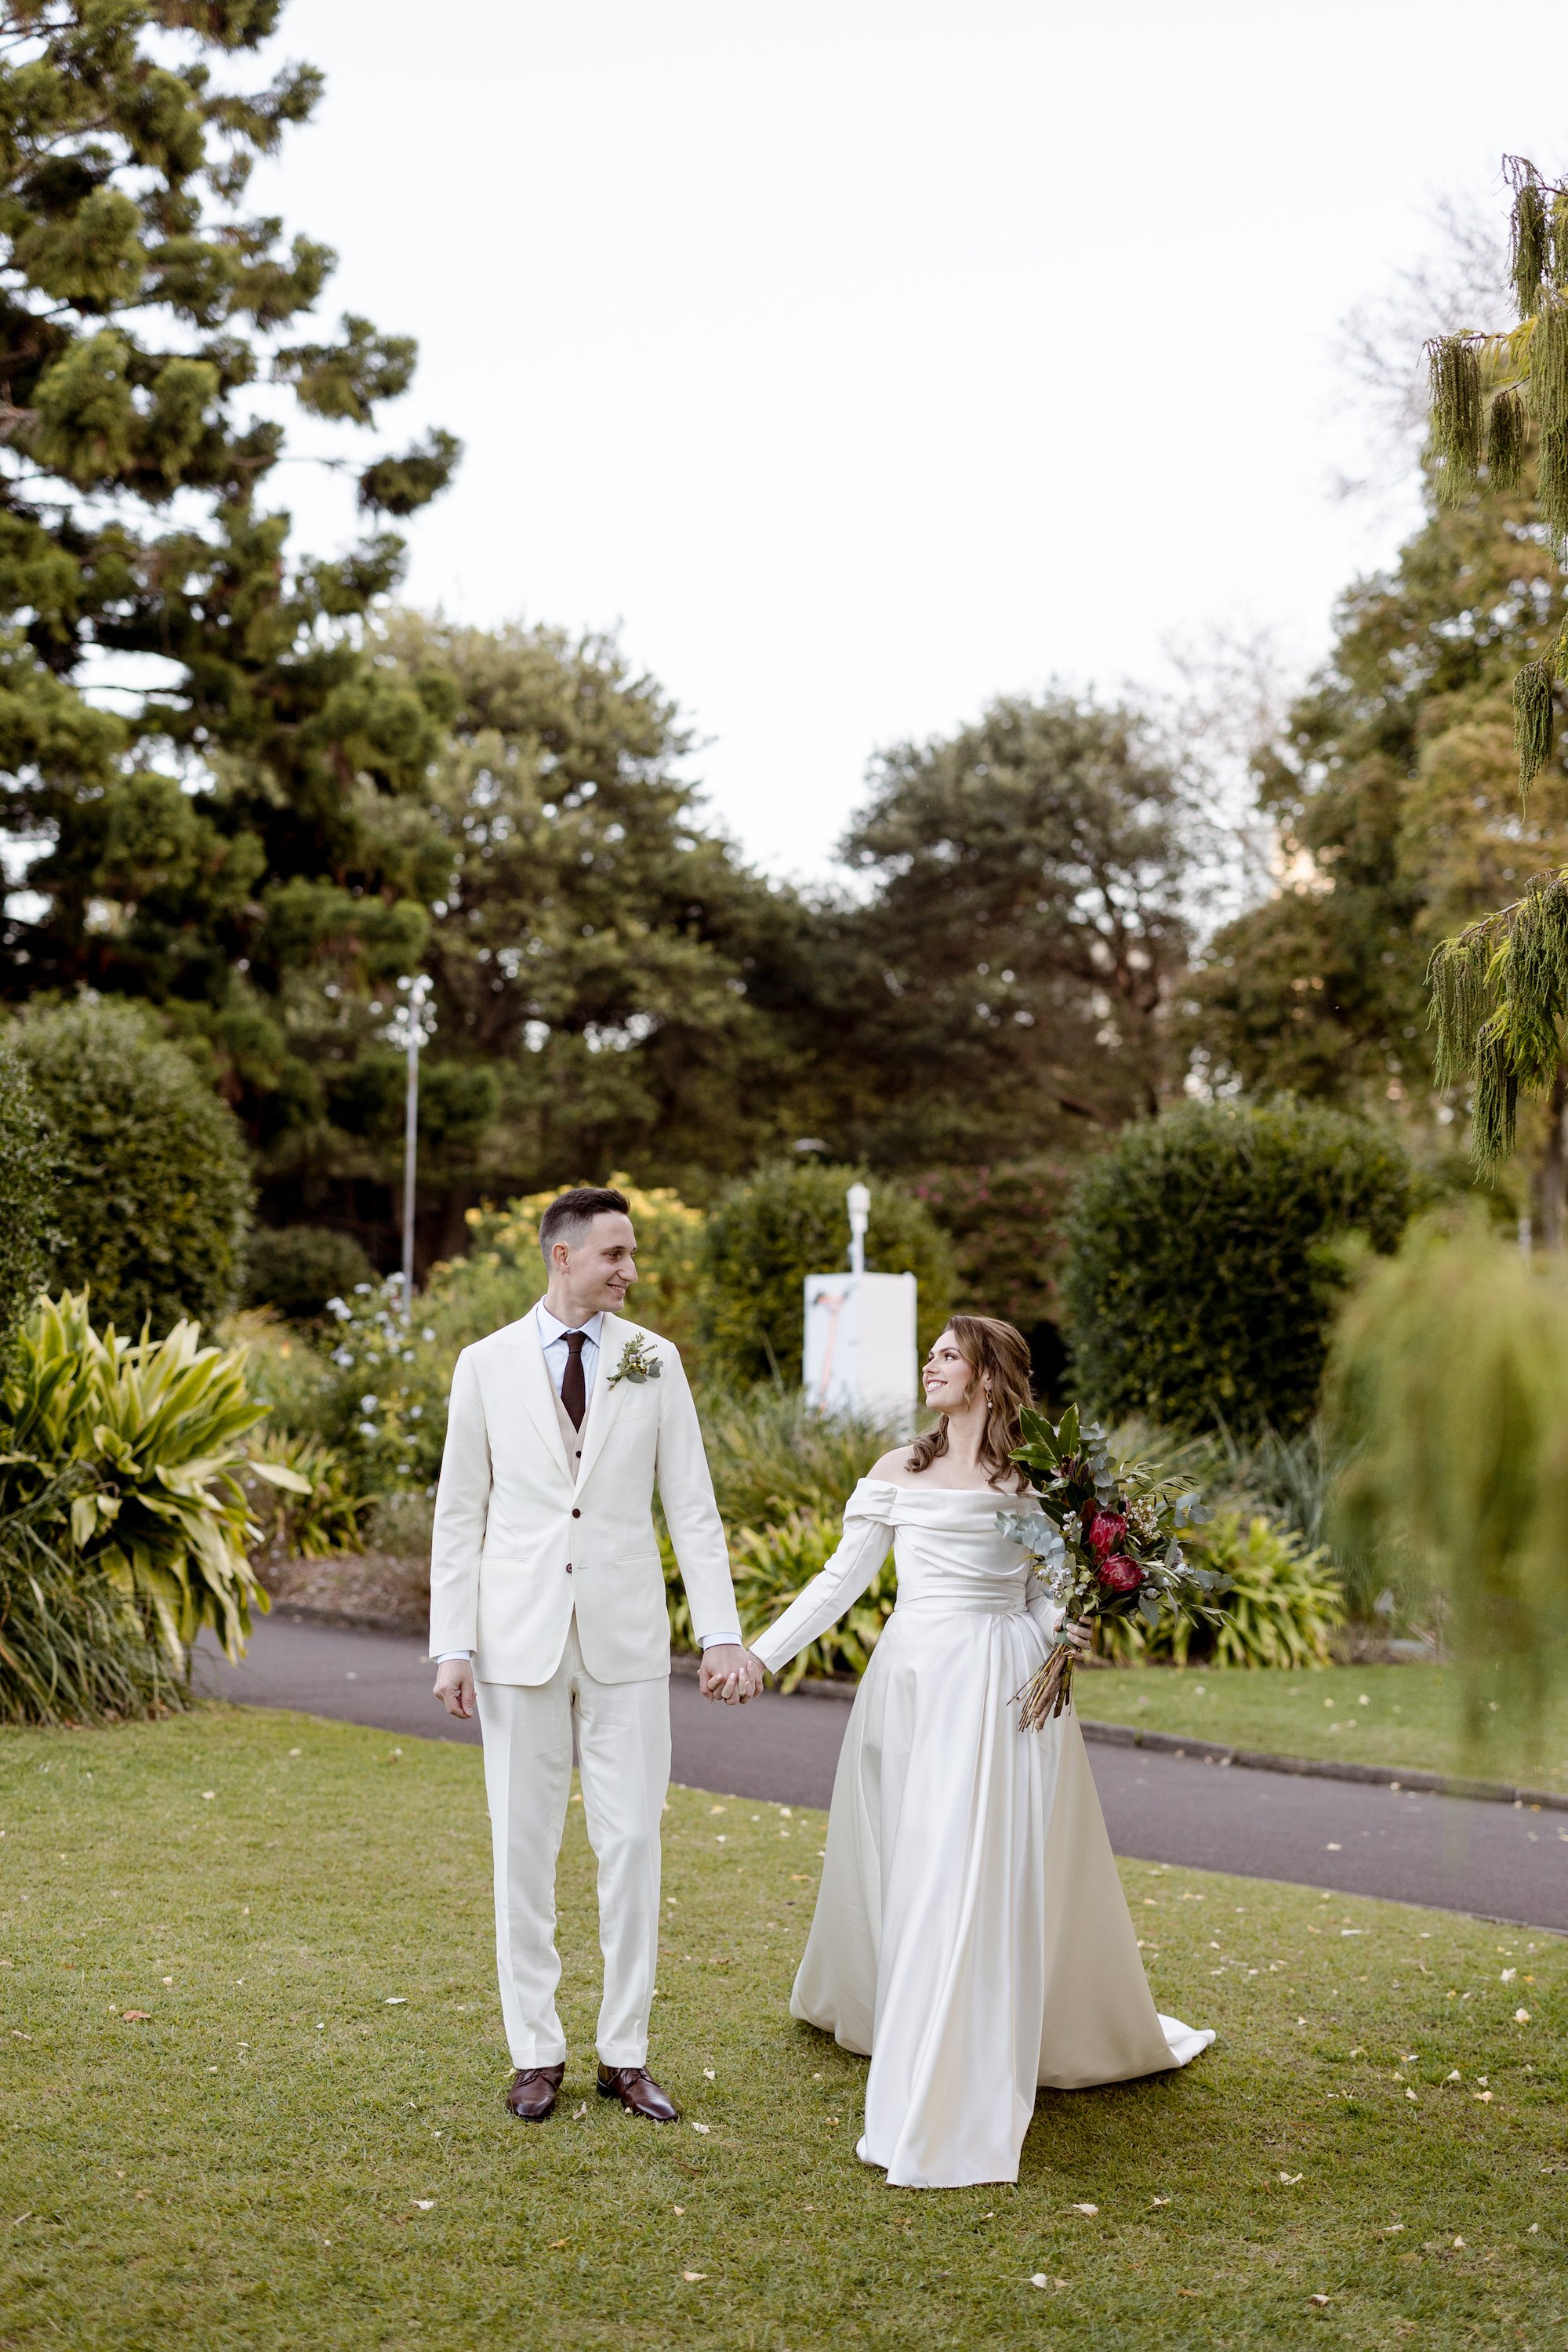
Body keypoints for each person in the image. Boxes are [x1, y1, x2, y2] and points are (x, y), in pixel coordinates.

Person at [748, 1314, 1213, 2190]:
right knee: (908, 1851)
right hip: (911, 1682)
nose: (930, 1364)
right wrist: (759, 1655)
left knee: (963, 1866)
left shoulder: (1037, 1483)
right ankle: (907, 2008)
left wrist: (1069, 1624)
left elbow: (1041, 1597)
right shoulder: (899, 1471)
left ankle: (953, 2052)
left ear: (990, 1378)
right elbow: (837, 1582)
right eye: (928, 1352)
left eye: (948, 1355)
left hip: (999, 1687)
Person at [429, 1185, 764, 2125]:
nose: (629, 1269)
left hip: (623, 1640)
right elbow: (460, 1512)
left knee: (631, 1845)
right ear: (561, 1256)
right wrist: (451, 1642)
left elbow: (690, 1507)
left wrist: (721, 1631)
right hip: (514, 1642)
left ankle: (626, 2053)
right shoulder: (484, 1364)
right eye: (613, 1253)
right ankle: (535, 2054)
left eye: (631, 1253)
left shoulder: (655, 1363)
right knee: (521, 1852)